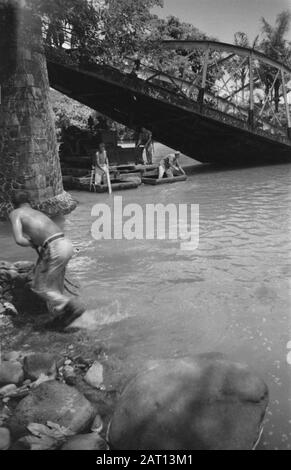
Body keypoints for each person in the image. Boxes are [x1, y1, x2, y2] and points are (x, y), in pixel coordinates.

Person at [9, 191, 85, 329]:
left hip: (53, 248)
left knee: (40, 287)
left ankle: (71, 306)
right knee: (55, 287)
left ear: (13, 204)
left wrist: (31, 243)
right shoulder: (36, 212)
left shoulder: (16, 213)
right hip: (65, 243)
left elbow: (19, 240)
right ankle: (62, 317)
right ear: (29, 202)